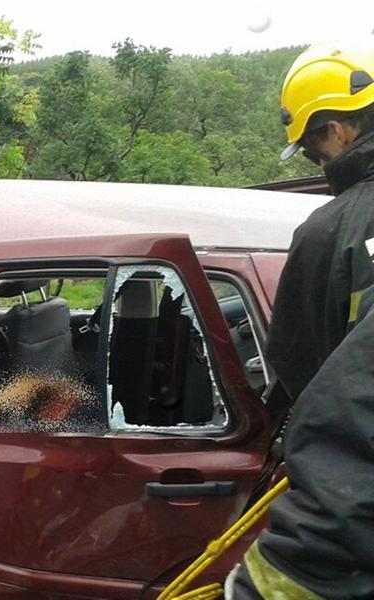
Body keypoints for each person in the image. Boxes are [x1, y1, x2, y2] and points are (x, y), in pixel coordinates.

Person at [228, 41, 374, 598]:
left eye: (313, 151)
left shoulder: (327, 232)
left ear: (336, 131)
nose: (322, 163)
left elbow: (301, 372)